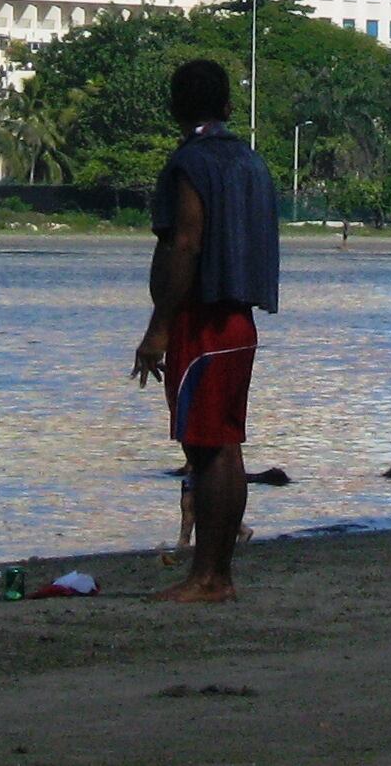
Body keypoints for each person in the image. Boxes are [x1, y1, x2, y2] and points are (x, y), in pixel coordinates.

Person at [132, 59, 280, 604]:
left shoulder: (190, 163)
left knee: (208, 449)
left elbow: (187, 242)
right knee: (225, 447)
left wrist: (159, 327)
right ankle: (215, 573)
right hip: (239, 318)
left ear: (174, 107)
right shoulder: (249, 161)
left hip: (205, 321)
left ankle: (210, 578)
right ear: (225, 106)